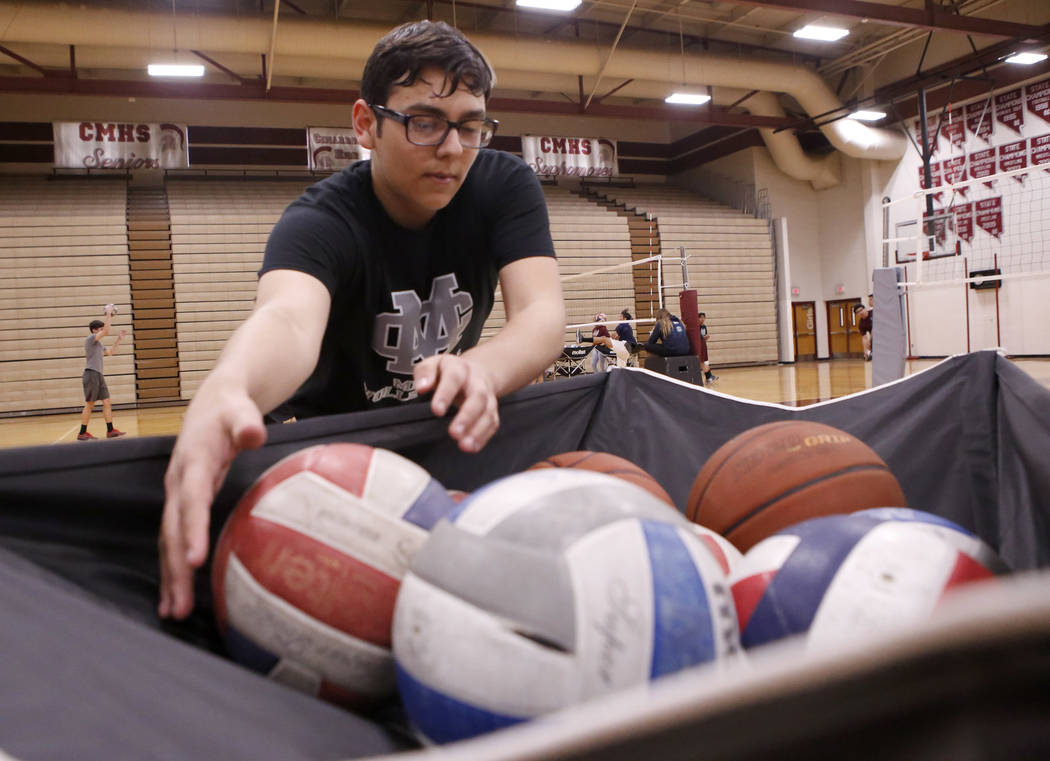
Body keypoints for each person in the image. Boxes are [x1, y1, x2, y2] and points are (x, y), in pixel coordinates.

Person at [159, 20, 565, 620]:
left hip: (426, 438)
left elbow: (542, 312)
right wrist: (229, 385)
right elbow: (288, 321)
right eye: (425, 122)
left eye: (471, 125)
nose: (452, 149)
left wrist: (481, 368)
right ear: (365, 124)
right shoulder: (320, 222)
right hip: (317, 454)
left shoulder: (503, 187)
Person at [78, 305, 126, 440]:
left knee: (107, 402)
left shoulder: (99, 345)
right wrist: (108, 315)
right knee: (90, 404)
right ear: (94, 331)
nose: (102, 331)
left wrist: (118, 340)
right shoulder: (90, 340)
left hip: (98, 375)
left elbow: (110, 353)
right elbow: (106, 331)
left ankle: (110, 430)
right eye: (100, 329)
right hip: (91, 374)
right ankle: (82, 432)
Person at [698, 311, 717, 383]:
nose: (702, 319)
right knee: (702, 362)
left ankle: (709, 376)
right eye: (700, 317)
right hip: (699, 346)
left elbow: (704, 337)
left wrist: (705, 338)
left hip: (703, 345)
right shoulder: (697, 327)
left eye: (703, 317)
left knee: (705, 361)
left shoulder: (704, 326)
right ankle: (708, 376)